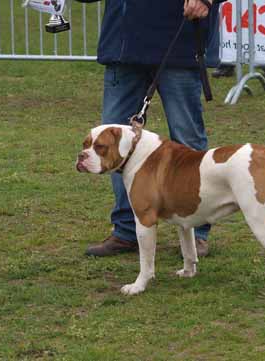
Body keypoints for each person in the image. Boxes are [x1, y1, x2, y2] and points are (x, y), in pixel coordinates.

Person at [83, 0, 226, 257]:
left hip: (178, 41)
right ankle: (128, 229)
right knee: (112, 147)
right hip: (123, 45)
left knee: (187, 142)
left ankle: (196, 232)